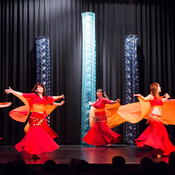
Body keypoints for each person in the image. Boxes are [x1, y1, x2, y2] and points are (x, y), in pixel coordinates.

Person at [5, 83, 65, 160]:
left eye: (41, 88)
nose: (40, 89)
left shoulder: (45, 98)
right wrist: (12, 91)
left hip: (41, 119)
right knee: (35, 134)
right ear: (36, 90)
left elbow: (52, 99)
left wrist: (60, 98)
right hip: (34, 118)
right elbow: (22, 94)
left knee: (34, 135)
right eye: (39, 88)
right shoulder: (33, 95)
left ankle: (27, 147)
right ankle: (33, 152)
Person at [134, 82, 175, 157]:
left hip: (157, 118)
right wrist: (140, 96)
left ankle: (166, 151)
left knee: (164, 135)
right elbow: (145, 99)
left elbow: (162, 101)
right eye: (159, 86)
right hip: (154, 118)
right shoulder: (151, 96)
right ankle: (157, 152)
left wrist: (167, 97)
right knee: (158, 135)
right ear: (156, 88)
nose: (160, 87)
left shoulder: (158, 97)